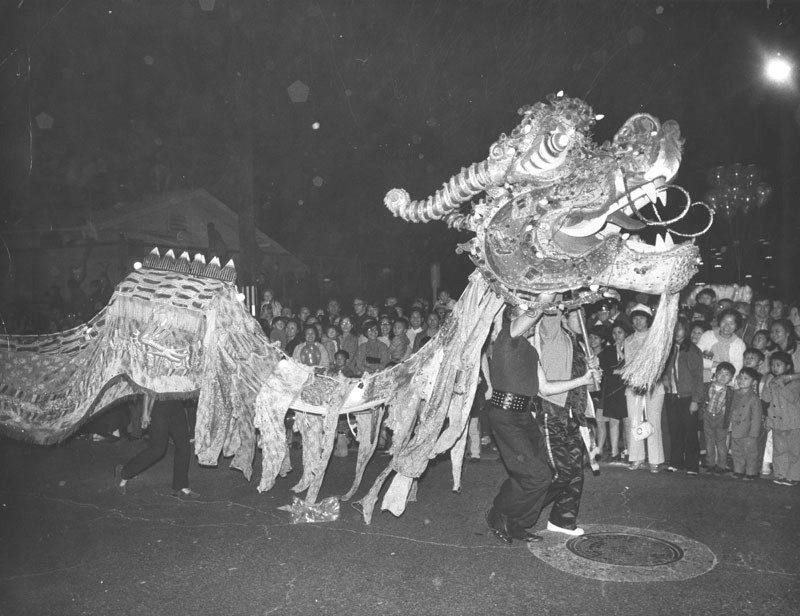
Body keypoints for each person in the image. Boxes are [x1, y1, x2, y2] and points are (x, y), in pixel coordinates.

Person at [484, 304, 599, 544]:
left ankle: (515, 521)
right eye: (524, 316)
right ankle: (499, 513)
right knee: (535, 475)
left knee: (544, 475)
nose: (531, 321)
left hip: (524, 416)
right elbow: (534, 312)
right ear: (513, 320)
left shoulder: (531, 350)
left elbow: (545, 388)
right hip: (504, 415)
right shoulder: (507, 337)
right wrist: (546, 296)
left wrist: (583, 379)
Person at [114, 398, 198, 498]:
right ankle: (124, 473)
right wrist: (145, 413)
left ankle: (180, 486)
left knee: (184, 445)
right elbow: (149, 388)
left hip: (176, 405)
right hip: (158, 406)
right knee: (157, 449)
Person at [624, 304, 666, 472]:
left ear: (648, 320)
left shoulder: (657, 338)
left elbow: (660, 363)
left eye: (641, 318)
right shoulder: (628, 340)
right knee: (634, 420)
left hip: (653, 386)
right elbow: (628, 364)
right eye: (635, 318)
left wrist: (649, 380)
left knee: (653, 421)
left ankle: (655, 459)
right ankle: (636, 457)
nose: (638, 321)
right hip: (634, 386)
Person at [664, 317, 705, 476]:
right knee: (675, 430)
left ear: (686, 331)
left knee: (690, 431)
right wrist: (665, 378)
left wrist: (695, 400)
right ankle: (675, 462)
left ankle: (692, 465)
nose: (676, 332)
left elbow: (698, 378)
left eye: (679, 328)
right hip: (672, 395)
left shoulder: (692, 351)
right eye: (673, 328)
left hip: (687, 396)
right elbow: (665, 369)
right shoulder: (669, 348)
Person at [761, 351, 800, 486]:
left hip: (793, 423)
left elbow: (792, 398)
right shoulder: (771, 381)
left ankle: (794, 476)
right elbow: (767, 400)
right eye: (772, 365)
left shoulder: (794, 383)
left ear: (788, 367)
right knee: (779, 450)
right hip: (777, 422)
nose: (775, 367)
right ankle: (780, 474)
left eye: (778, 365)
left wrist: (782, 385)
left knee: (794, 451)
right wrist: (767, 385)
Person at [598, 322, 631, 463]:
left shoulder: (632, 348)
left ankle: (630, 451)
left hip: (627, 389)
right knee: (613, 421)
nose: (617, 336)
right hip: (612, 390)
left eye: (620, 332)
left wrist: (620, 352)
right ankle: (614, 451)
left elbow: (633, 365)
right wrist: (616, 371)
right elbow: (602, 368)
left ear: (626, 334)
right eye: (614, 333)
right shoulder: (607, 351)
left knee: (628, 421)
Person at [699, 362, 735, 474]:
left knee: (721, 442)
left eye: (727, 375)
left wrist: (730, 422)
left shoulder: (731, 391)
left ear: (731, 378)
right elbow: (701, 400)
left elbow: (732, 408)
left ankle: (721, 465)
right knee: (709, 441)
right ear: (715, 374)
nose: (723, 377)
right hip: (708, 416)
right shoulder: (706, 386)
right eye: (720, 373)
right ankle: (710, 464)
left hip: (722, 418)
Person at [729, 367, 763, 480]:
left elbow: (757, 417)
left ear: (753, 382)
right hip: (735, 428)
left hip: (748, 430)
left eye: (746, 378)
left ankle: (751, 472)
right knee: (737, 451)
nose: (741, 380)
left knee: (750, 453)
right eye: (740, 378)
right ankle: (738, 470)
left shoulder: (754, 398)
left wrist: (754, 433)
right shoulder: (734, 394)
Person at [697, 309, 746, 383]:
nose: (726, 326)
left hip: (725, 383)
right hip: (701, 378)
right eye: (724, 321)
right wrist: (720, 365)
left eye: (731, 323)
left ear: (736, 326)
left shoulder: (739, 344)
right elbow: (696, 359)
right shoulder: (708, 335)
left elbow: (736, 370)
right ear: (719, 322)